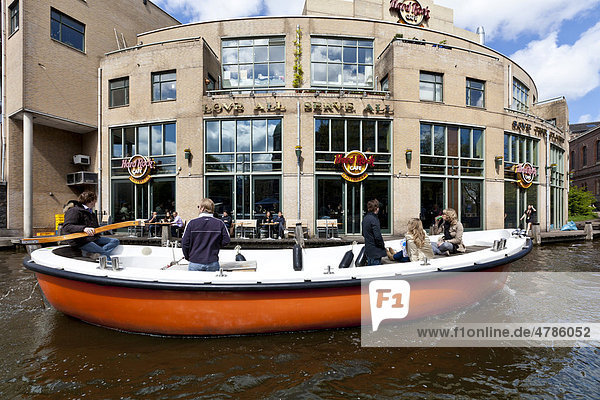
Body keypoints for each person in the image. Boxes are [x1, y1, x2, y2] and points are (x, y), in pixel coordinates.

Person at [62, 191, 120, 261]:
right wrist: (84, 229)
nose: (95, 202)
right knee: (104, 254)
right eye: (95, 200)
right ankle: (106, 262)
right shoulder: (75, 211)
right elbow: (67, 227)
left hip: (93, 238)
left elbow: (95, 227)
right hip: (81, 241)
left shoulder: (91, 213)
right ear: (91, 200)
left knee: (115, 241)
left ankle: (96, 254)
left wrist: (102, 229)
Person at [182, 198, 231, 271]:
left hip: (195, 261)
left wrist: (188, 257)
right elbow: (226, 240)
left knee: (194, 282)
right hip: (212, 261)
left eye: (198, 207)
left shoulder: (191, 223)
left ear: (202, 208)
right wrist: (215, 245)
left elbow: (185, 243)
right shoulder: (220, 223)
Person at [362, 199, 387, 265]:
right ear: (376, 208)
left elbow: (363, 233)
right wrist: (382, 245)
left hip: (368, 249)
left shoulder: (365, 218)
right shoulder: (374, 219)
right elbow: (377, 236)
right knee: (376, 270)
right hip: (375, 251)